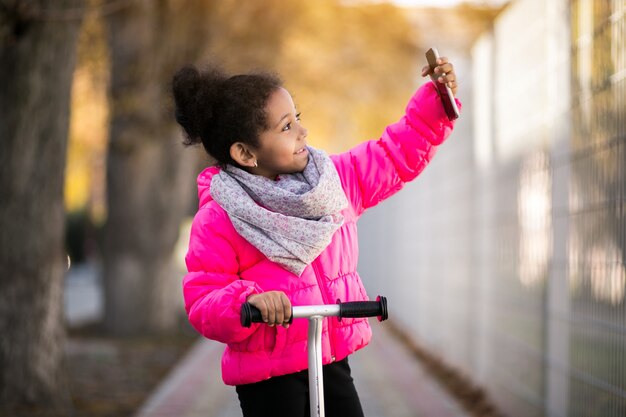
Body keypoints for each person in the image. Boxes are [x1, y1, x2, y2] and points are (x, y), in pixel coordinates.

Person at [173, 57, 460, 417]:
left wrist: (436, 102)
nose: (302, 132)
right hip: (268, 377)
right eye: (286, 126)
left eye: (298, 119)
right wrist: (247, 302)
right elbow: (203, 299)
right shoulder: (219, 218)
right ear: (245, 153)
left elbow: (393, 155)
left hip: (329, 359)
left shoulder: (331, 182)